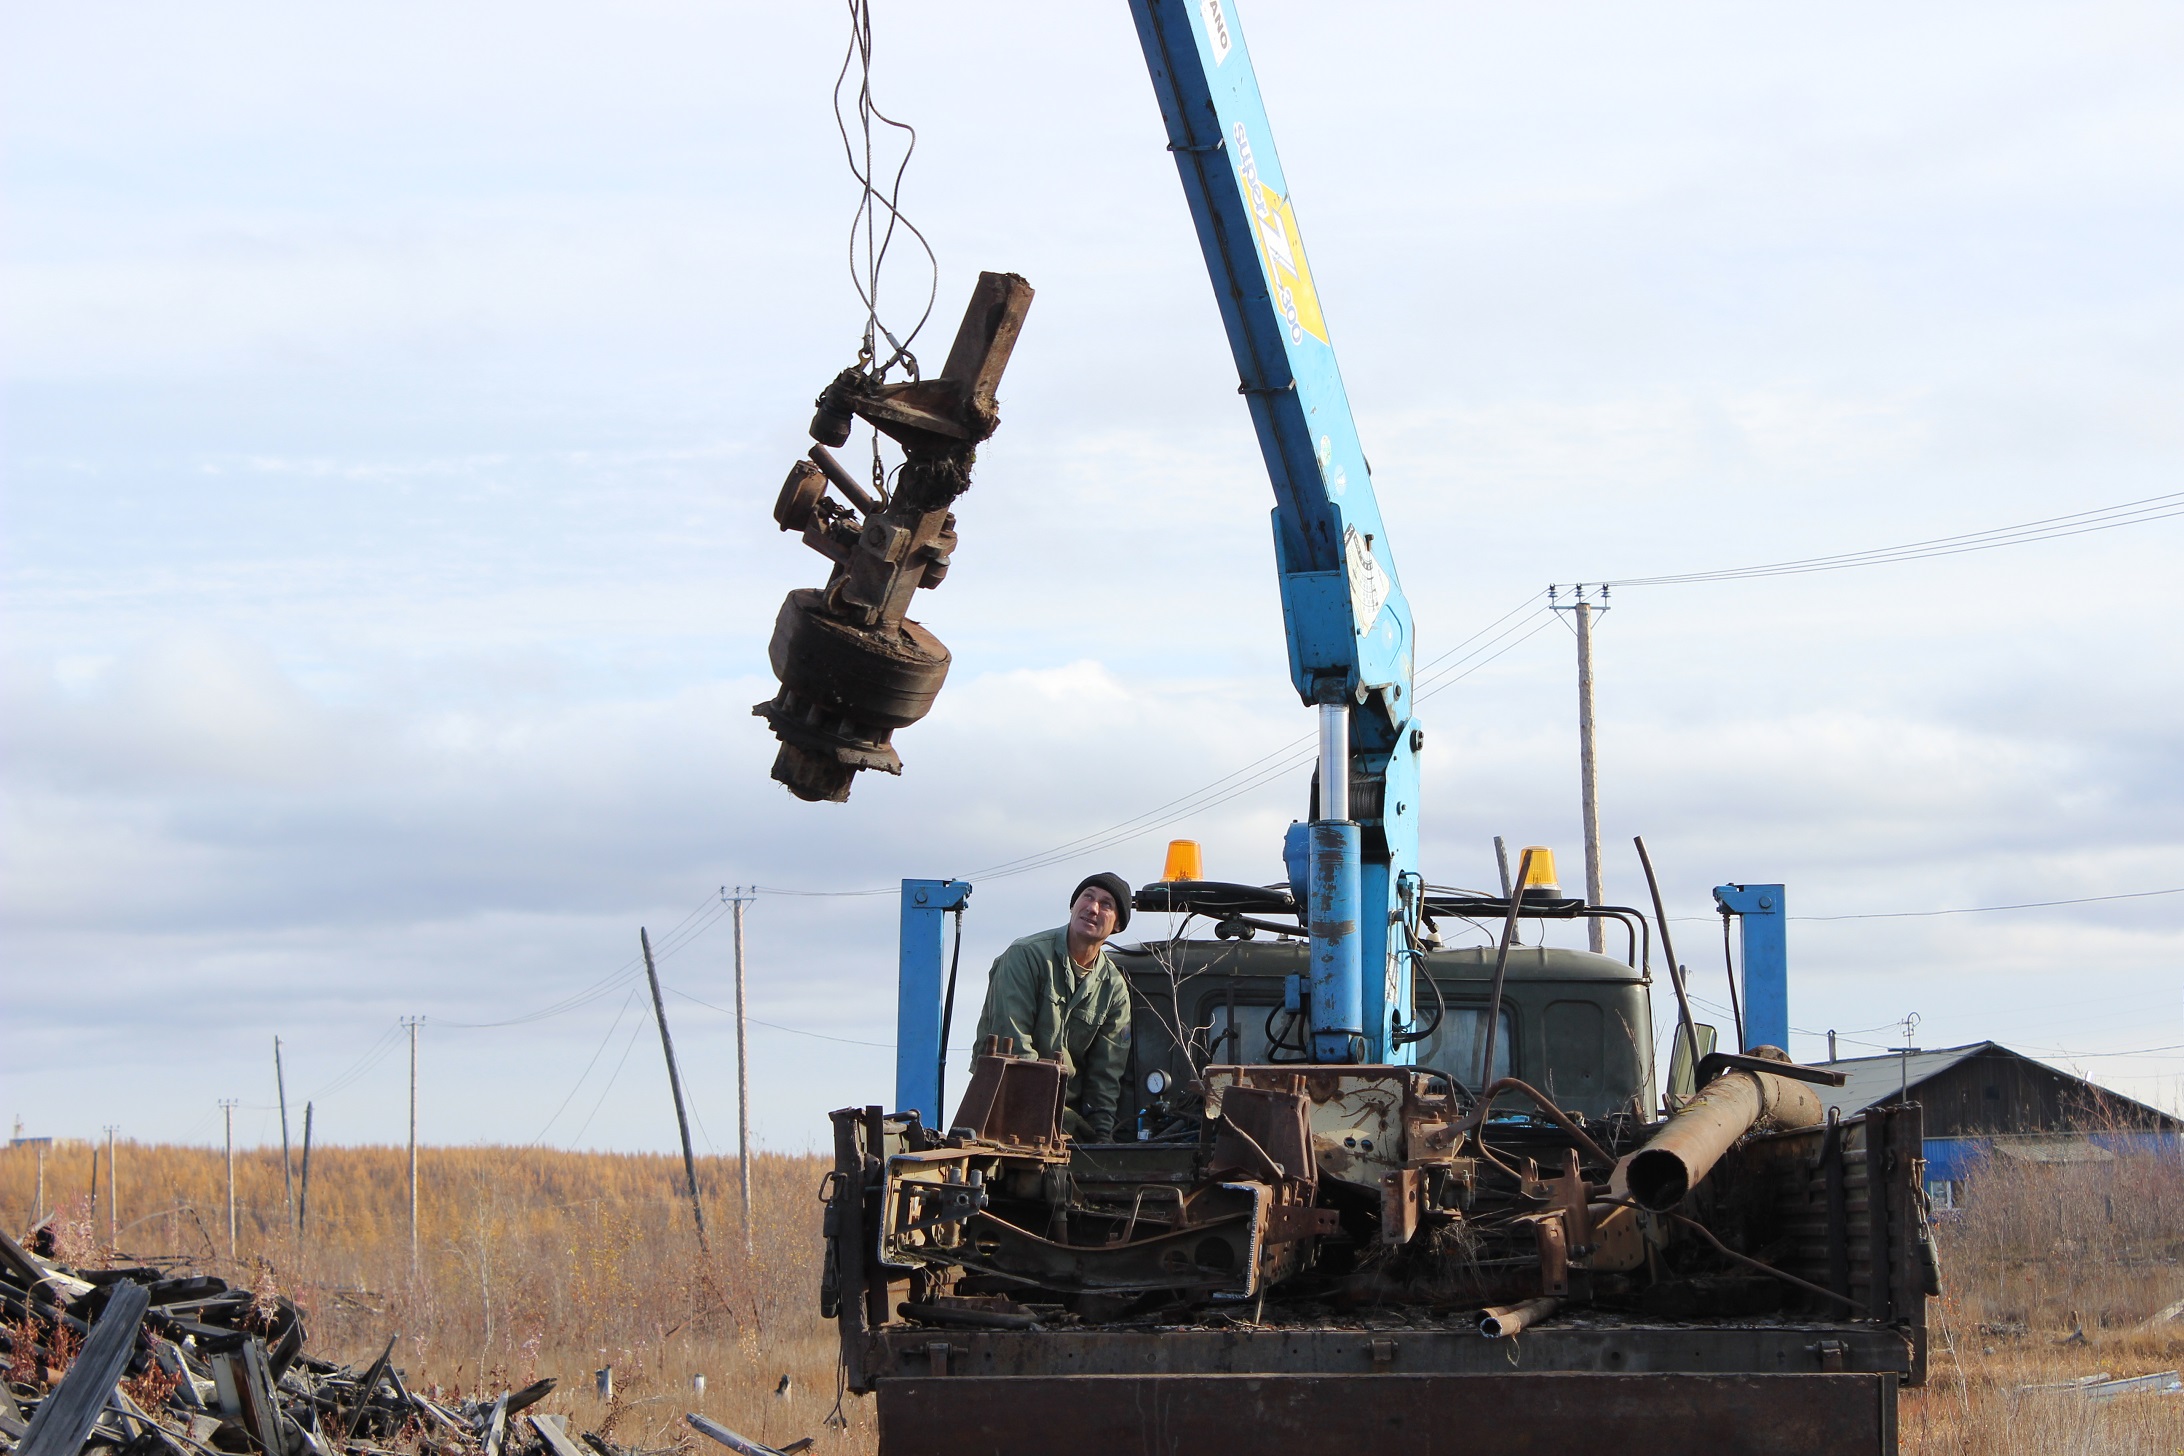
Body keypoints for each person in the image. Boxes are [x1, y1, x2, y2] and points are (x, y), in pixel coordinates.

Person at [971, 872, 1134, 1142]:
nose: (1093, 908)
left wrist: (1101, 1137)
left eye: (1106, 904)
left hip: (1066, 1126)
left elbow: (1106, 1075)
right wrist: (1058, 1116)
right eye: (1088, 897)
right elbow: (1012, 1046)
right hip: (1001, 1110)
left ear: (1117, 925)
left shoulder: (1114, 989)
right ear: (1073, 905)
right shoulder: (1026, 957)